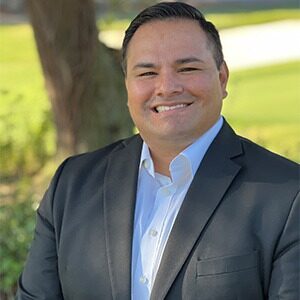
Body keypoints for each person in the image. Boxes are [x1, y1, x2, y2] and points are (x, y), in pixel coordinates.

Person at [17, 2, 299, 300]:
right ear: (127, 86)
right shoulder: (72, 185)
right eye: (147, 73)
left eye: (187, 68)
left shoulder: (289, 196)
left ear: (222, 77)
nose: (166, 87)